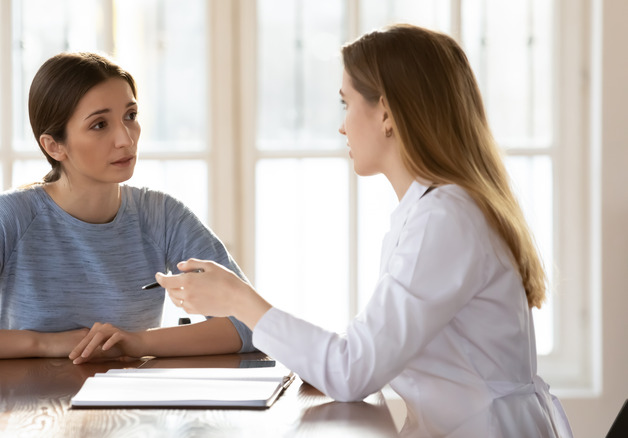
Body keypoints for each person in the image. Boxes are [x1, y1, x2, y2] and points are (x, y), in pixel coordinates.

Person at [86, 25, 573, 437]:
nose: (342, 127)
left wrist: (238, 300)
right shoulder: (434, 209)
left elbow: (351, 372)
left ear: (386, 113)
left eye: (346, 104)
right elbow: (364, 350)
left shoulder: (445, 219)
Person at [0, 52, 255, 362]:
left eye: (130, 115)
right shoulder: (7, 219)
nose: (125, 139)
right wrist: (47, 344)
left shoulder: (163, 216)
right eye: (99, 125)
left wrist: (136, 342)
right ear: (54, 146)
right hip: (25, 412)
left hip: (130, 411)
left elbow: (252, 324)